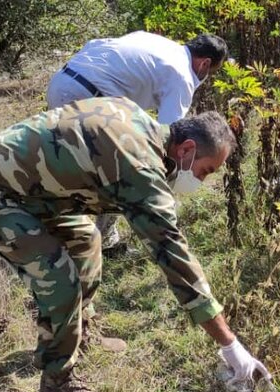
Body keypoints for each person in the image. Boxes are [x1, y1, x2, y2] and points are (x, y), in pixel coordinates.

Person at [0, 97, 272, 392]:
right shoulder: (140, 165)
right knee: (59, 280)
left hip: (32, 191)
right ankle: (57, 385)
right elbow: (173, 256)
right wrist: (231, 346)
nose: (201, 181)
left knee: (87, 242)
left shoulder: (140, 123)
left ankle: (78, 334)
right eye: (205, 171)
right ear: (186, 149)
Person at [46, 31, 229, 252]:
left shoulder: (158, 43)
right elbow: (171, 139)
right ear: (204, 63)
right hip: (89, 98)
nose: (205, 77)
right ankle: (93, 242)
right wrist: (165, 195)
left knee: (76, 167)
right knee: (120, 169)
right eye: (210, 72)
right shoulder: (181, 75)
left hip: (62, 83)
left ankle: (67, 230)